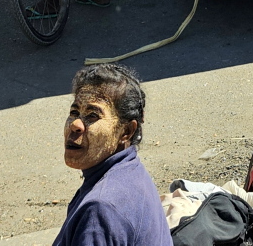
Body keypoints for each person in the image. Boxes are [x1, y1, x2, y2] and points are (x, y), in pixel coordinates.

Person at [52, 63, 171, 246]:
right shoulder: (132, 171)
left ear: (126, 132)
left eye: (92, 116)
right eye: (74, 112)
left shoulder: (99, 210)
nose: (75, 124)